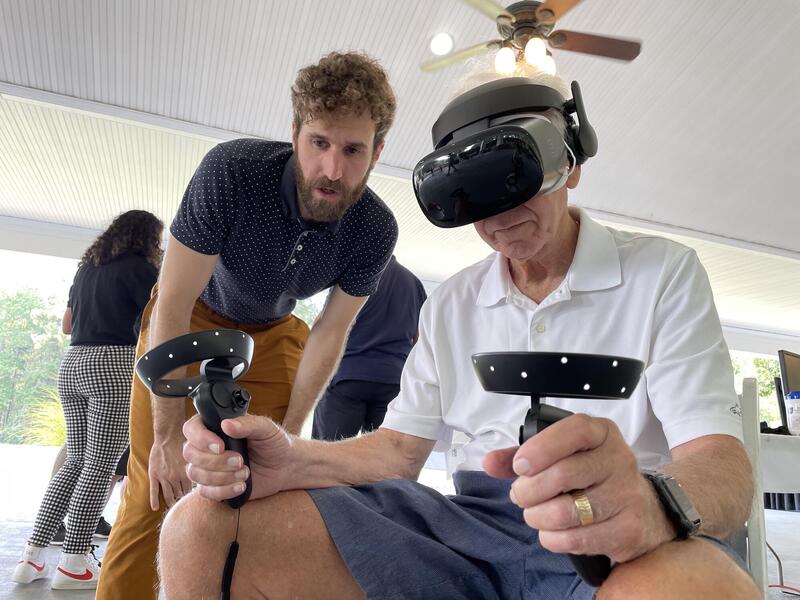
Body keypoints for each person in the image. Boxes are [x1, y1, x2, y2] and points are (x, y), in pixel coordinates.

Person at [158, 68, 760, 600]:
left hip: (616, 528)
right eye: (474, 194)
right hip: (468, 529)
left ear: (570, 164)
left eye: (520, 179)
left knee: (696, 588)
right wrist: (292, 460)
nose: (500, 218)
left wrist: (654, 506)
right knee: (199, 526)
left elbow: (723, 468)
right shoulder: (450, 303)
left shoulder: (662, 273)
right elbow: (398, 451)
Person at [96, 51, 399, 600]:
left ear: (378, 152)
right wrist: (166, 436)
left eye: (354, 150)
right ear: (295, 133)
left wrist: (293, 433)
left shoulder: (375, 228)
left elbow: (330, 331)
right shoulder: (233, 172)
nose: (332, 170)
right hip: (192, 316)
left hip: (277, 332)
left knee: (259, 487)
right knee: (155, 492)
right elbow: (173, 300)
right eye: (319, 144)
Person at [11, 210, 163, 590]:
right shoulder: (141, 270)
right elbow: (160, 318)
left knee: (76, 460)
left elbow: (67, 324)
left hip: (74, 363)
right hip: (112, 364)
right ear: (147, 238)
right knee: (100, 464)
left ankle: (32, 559)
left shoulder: (87, 270)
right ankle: (74, 562)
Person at [312, 255, 427, 440]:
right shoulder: (414, 283)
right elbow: (418, 340)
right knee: (381, 459)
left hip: (348, 378)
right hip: (393, 383)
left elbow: (325, 325)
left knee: (329, 455)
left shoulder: (358, 274)